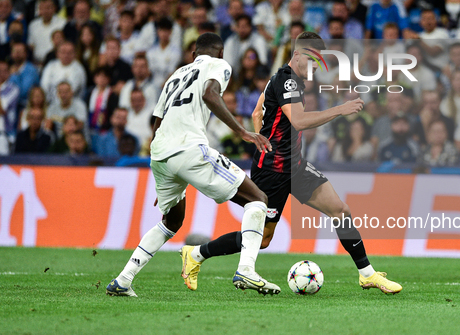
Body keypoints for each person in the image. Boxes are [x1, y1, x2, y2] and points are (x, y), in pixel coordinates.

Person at [185, 32, 403, 295]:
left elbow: (257, 112)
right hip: (272, 171)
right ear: (298, 55)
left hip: (295, 166)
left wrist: (261, 138)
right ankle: (196, 253)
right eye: (311, 60)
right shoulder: (287, 81)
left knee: (340, 210)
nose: (315, 67)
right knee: (262, 239)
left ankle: (367, 275)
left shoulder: (280, 79)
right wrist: (339, 109)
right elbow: (298, 121)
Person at [106, 33, 279, 297]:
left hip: (161, 153)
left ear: (193, 54)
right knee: (258, 199)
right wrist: (242, 131)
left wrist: (163, 171)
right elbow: (210, 94)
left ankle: (123, 280)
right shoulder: (219, 65)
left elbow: (158, 120)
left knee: (171, 221)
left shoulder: (174, 76)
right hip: (189, 148)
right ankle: (246, 269)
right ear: (220, 53)